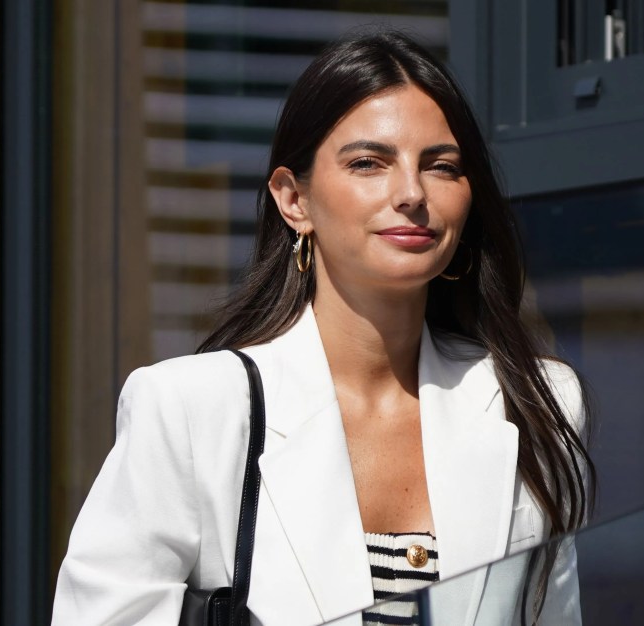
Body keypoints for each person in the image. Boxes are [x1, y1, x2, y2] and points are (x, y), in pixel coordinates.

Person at [52, 30, 595, 626]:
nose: (411, 193)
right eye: (369, 163)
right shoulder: (193, 409)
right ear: (294, 201)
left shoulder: (535, 401)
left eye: (441, 167)